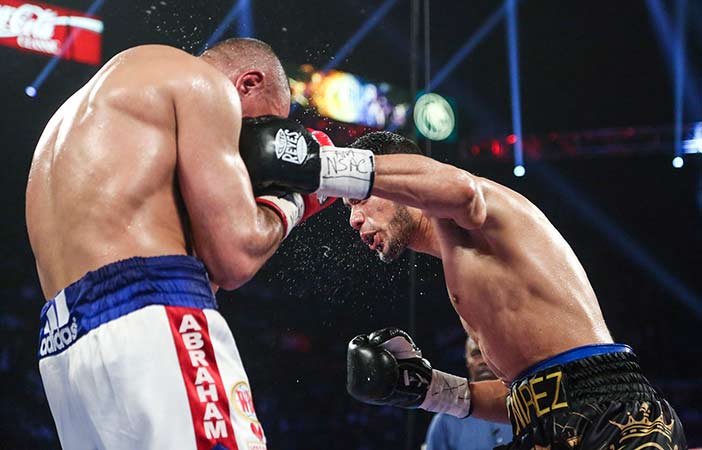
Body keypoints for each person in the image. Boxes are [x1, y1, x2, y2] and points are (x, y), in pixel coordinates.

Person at [25, 37, 374, 450]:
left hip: (64, 351)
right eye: (261, 126)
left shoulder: (77, 119)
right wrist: (296, 198)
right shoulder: (203, 85)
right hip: (153, 320)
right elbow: (235, 258)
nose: (250, 151)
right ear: (248, 84)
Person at [337, 131, 687, 449]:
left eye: (357, 199)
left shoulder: (478, 209)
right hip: (551, 425)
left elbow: (461, 189)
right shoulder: (462, 266)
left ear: (397, 182)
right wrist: (430, 390)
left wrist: (325, 165)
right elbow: (531, 396)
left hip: (613, 417)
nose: (353, 220)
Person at [425, 336, 511, 450]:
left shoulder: (522, 407)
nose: (484, 361)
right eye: (476, 354)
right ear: (467, 360)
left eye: (490, 353)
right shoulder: (445, 421)